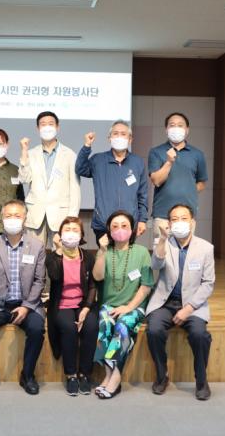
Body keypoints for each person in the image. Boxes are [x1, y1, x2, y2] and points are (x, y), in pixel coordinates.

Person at [0, 200, 45, 395]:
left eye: (17, 215)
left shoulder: (36, 245)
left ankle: (27, 375)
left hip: (26, 304)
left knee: (37, 329)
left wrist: (27, 306)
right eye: (8, 216)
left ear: (25, 219)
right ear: (2, 218)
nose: (12, 219)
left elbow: (39, 280)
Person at [146, 203, 215, 401]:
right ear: (169, 223)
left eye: (184, 218)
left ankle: (201, 380)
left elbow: (208, 283)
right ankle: (162, 376)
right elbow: (155, 265)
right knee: (154, 331)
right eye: (174, 219)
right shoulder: (163, 242)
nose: (179, 222)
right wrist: (162, 240)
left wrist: (189, 308)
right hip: (165, 302)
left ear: (192, 222)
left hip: (193, 304)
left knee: (200, 335)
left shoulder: (205, 248)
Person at [92, 210, 153, 399]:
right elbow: (97, 277)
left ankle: (115, 377)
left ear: (132, 229)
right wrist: (102, 251)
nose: (120, 229)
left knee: (123, 326)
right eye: (115, 226)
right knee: (105, 322)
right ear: (109, 231)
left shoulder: (142, 252)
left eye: (124, 225)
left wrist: (128, 307)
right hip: (109, 304)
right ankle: (109, 375)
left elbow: (146, 286)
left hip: (134, 306)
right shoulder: (106, 252)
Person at [45, 216, 97, 396]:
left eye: (75, 230)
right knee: (69, 328)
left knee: (91, 326)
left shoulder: (87, 257)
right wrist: (59, 251)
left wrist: (86, 308)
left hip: (83, 304)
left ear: (81, 235)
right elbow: (55, 276)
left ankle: (85, 374)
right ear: (60, 234)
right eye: (67, 230)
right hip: (62, 305)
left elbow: (92, 286)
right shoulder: (53, 257)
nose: (71, 233)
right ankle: (71, 375)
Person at [75, 120, 149, 243]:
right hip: (103, 223)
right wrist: (87, 146)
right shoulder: (98, 160)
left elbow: (143, 194)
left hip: (129, 223)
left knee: (126, 255)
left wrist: (142, 220)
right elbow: (80, 169)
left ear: (130, 139)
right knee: (105, 255)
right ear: (109, 138)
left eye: (123, 134)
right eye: (115, 133)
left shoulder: (137, 162)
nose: (119, 137)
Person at [19, 111, 80, 248]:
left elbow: (75, 188)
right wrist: (24, 152)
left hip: (61, 216)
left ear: (57, 127)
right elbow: (24, 179)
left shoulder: (69, 155)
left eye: (51, 124)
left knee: (59, 254)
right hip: (35, 214)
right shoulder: (31, 153)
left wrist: (72, 218)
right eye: (43, 124)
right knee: (32, 254)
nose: (47, 127)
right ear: (38, 128)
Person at [148, 113, 208, 245]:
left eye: (180, 125)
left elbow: (202, 182)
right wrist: (169, 162)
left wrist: (188, 191)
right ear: (166, 129)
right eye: (172, 125)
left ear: (187, 130)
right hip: (163, 214)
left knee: (186, 252)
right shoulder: (156, 152)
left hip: (187, 215)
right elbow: (156, 180)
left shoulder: (197, 154)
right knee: (161, 253)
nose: (176, 128)